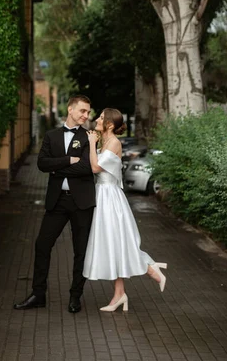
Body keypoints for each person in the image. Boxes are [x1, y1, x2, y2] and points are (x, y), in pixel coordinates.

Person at [14, 94, 95, 313]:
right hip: (57, 201)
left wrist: (56, 167)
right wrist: (69, 160)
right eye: (82, 111)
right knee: (42, 245)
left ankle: (75, 297)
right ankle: (38, 295)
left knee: (81, 251)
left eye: (88, 112)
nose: (86, 115)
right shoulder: (51, 136)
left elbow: (87, 167)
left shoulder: (89, 137)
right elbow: (41, 164)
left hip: (82, 202)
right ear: (70, 109)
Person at [83, 108, 167, 312]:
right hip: (103, 195)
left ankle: (149, 267)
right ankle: (119, 295)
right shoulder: (106, 141)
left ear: (110, 124)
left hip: (110, 198)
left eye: (101, 118)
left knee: (117, 242)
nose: (96, 119)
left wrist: (92, 144)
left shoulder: (113, 143)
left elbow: (95, 168)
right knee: (112, 245)